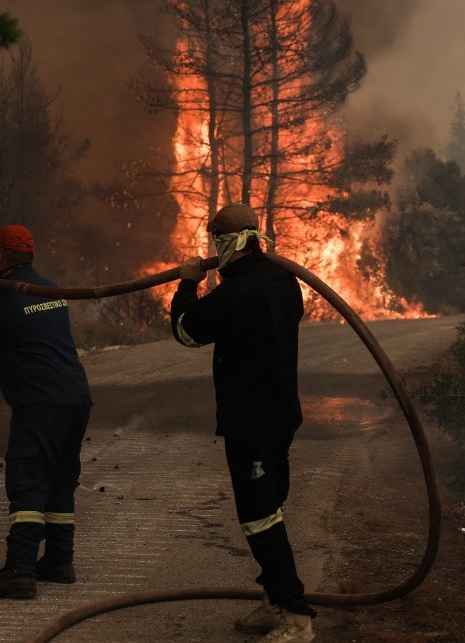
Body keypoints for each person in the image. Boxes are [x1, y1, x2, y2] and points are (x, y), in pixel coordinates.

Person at [169, 204, 316, 642]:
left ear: (224, 242)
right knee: (270, 507)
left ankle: (296, 616)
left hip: (251, 423)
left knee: (259, 517)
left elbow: (186, 331)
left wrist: (188, 282)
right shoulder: (284, 281)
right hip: (282, 416)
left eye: (215, 241)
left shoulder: (234, 295)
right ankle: (274, 601)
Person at [0, 224, 92, 599]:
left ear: (0, 257)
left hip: (40, 404)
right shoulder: (50, 289)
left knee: (28, 481)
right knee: (60, 479)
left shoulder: (1, 298)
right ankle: (59, 561)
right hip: (76, 398)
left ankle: (18, 570)